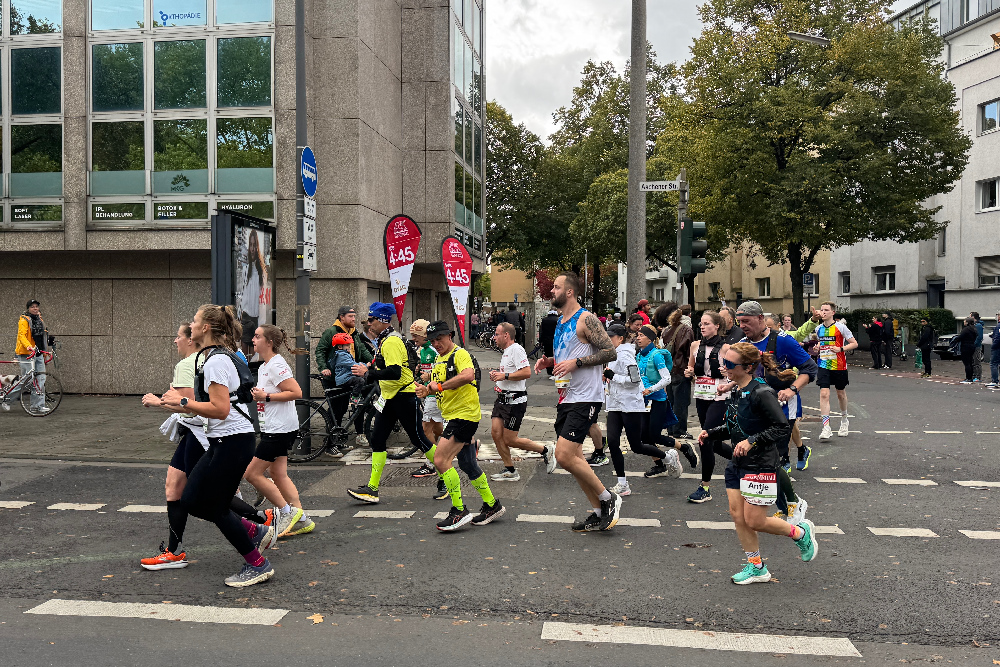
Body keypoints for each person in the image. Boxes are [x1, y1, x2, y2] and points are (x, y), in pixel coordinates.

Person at [160, 304, 276, 588]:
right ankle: (255, 531)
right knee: (191, 500)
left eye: (195, 321)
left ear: (205, 328)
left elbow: (221, 409)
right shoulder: (213, 357)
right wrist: (177, 403)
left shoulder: (215, 361)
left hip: (233, 441)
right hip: (223, 440)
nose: (191, 325)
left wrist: (183, 401)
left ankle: (257, 563)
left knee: (215, 507)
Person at [699, 342, 817, 585]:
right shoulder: (736, 390)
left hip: (761, 465)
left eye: (730, 364)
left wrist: (752, 441)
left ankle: (800, 532)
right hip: (737, 463)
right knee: (738, 517)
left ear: (748, 367)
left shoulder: (762, 392)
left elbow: (781, 427)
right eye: (724, 362)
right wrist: (711, 433)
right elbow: (736, 426)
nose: (725, 367)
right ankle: (757, 567)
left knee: (755, 521)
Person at [534, 272, 622, 532]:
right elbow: (568, 356)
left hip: (586, 397)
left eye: (556, 287)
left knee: (563, 455)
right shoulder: (561, 321)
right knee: (575, 458)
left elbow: (610, 352)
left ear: (569, 292)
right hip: (566, 396)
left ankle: (608, 497)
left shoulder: (586, 319)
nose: (552, 291)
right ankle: (598, 511)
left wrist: (578, 362)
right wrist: (550, 362)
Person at [415, 321, 505, 530]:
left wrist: (438, 386)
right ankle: (492, 505)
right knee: (467, 464)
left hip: (463, 416)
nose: (436, 344)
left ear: (450, 335)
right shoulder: (439, 358)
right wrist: (427, 389)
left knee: (440, 459)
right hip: (453, 416)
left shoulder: (459, 354)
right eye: (432, 341)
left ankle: (459, 510)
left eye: (439, 339)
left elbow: (467, 375)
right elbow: (438, 386)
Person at [729, 300, 816, 517]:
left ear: (760, 318)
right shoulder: (743, 343)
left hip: (781, 408)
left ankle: (791, 505)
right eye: (739, 322)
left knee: (774, 459)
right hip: (755, 410)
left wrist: (792, 390)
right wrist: (729, 385)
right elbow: (748, 375)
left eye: (746, 321)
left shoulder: (782, 340)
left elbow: (809, 368)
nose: (742, 326)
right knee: (764, 460)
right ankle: (787, 506)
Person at [346, 303, 438, 504]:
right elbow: (386, 366)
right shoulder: (385, 339)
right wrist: (371, 366)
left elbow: (395, 372)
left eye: (371, 320)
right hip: (389, 397)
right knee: (377, 440)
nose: (369, 324)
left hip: (403, 397)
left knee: (419, 440)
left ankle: (448, 479)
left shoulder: (391, 341)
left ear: (382, 320)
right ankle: (372, 489)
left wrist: (369, 373)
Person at [140, 322, 205, 570]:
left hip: (199, 432)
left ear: (190, 340)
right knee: (173, 486)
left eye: (178, 336)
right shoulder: (203, 360)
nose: (175, 341)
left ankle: (259, 523)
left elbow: (189, 405)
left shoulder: (187, 364)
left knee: (208, 496)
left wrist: (158, 402)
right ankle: (174, 551)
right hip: (195, 431)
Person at [244, 325, 314, 538]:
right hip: (274, 427)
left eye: (257, 336)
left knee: (252, 474)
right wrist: (261, 395)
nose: (253, 339)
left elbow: (296, 392)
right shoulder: (265, 365)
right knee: (277, 473)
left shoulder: (276, 364)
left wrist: (266, 397)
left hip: (279, 429)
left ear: (269, 342)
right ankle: (301, 519)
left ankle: (286, 512)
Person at [488, 322, 555, 481]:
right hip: (501, 400)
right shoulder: (506, 352)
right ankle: (510, 469)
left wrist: (504, 376)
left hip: (515, 402)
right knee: (496, 433)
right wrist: (498, 376)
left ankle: (545, 450)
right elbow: (509, 374)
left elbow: (526, 372)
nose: (494, 337)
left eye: (497, 334)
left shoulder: (516, 349)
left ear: (506, 335)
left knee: (510, 439)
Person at [635, 324, 697, 476]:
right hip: (644, 401)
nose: (638, 338)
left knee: (654, 435)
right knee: (644, 437)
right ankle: (660, 466)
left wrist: (651, 389)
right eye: (638, 335)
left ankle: (684, 447)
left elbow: (667, 378)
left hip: (658, 400)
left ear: (650, 339)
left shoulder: (656, 355)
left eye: (641, 335)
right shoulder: (639, 355)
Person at [684, 311, 732, 503]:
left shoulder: (727, 348)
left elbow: (737, 373)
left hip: (720, 397)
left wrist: (727, 373)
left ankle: (705, 487)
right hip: (701, 395)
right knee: (715, 442)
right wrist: (689, 373)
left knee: (705, 438)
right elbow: (691, 368)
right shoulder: (695, 345)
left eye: (706, 324)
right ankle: (745, 459)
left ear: (717, 326)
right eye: (701, 324)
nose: (702, 327)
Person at [601, 324, 648, 496]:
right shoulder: (613, 353)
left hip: (630, 405)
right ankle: (622, 483)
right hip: (615, 404)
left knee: (636, 446)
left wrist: (614, 377)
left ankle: (667, 456)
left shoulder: (626, 355)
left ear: (620, 338)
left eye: (611, 337)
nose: (607, 339)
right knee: (613, 442)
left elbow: (635, 380)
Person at [814, 302, 857, 440]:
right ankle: (826, 427)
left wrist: (841, 349)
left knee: (840, 394)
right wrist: (818, 347)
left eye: (826, 310)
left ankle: (844, 420)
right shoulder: (818, 328)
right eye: (822, 310)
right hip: (823, 364)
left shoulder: (841, 327)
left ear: (833, 312)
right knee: (824, 394)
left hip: (839, 365)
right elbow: (822, 342)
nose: (823, 312)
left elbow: (854, 343)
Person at [409, 319, 444, 480]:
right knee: (437, 428)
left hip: (434, 393)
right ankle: (467, 443)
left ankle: (432, 463)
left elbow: (442, 367)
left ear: (424, 335)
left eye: (416, 335)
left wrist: (429, 376)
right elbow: (427, 366)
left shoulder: (434, 349)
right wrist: (419, 368)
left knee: (425, 429)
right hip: (428, 392)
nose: (413, 338)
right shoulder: (422, 349)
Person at [661, 307, 695, 439]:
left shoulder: (668, 329)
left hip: (669, 368)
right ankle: (679, 430)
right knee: (681, 402)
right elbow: (688, 351)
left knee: (670, 401)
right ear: (689, 316)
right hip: (681, 369)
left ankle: (671, 428)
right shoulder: (686, 330)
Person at [15, 300, 48, 413]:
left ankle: (38, 405)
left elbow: (42, 338)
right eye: (32, 307)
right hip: (27, 353)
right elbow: (22, 336)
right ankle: (7, 397)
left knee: (41, 379)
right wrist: (28, 346)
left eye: (36, 307)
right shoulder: (24, 320)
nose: (35, 308)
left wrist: (45, 352)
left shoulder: (40, 320)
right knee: (28, 380)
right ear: (28, 308)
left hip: (38, 353)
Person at [238, 232, 267, 359]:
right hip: (245, 316)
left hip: (256, 318)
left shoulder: (262, 271)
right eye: (250, 245)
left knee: (255, 357)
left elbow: (263, 297)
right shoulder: (246, 269)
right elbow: (242, 294)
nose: (252, 248)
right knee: (245, 356)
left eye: (254, 245)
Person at [956, 317, 978, 384]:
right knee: (970, 362)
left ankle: (968, 378)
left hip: (965, 347)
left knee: (966, 363)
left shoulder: (966, 329)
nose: (964, 322)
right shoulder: (974, 329)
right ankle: (970, 377)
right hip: (972, 346)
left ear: (967, 322)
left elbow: (960, 337)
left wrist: (956, 339)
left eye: (965, 321)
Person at [971, 312, 984, 382]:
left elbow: (979, 337)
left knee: (976, 361)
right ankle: (974, 376)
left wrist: (974, 344)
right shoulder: (975, 325)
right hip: (973, 346)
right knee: (973, 361)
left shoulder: (978, 326)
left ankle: (978, 377)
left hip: (976, 346)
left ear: (973, 317)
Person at [989, 312, 1000, 389]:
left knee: (993, 363)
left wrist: (993, 346)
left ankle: (995, 381)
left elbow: (997, 337)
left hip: (997, 347)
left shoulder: (999, 325)